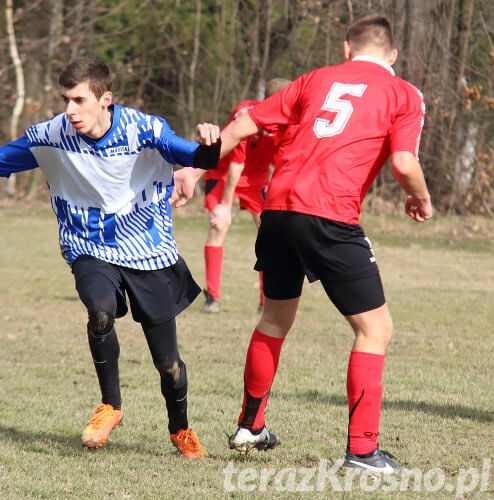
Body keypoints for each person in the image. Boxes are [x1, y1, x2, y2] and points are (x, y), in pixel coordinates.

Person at [0, 56, 222, 458]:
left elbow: (201, 159)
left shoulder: (146, 129)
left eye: (78, 100)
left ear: (105, 99)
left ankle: (180, 430)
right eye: (65, 100)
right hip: (89, 248)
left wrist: (210, 144)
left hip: (149, 250)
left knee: (169, 366)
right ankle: (111, 406)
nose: (70, 110)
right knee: (100, 311)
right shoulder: (51, 135)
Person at [172, 14, 432, 473]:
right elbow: (405, 163)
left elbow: (240, 128)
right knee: (375, 330)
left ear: (347, 49)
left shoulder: (313, 79)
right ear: (392, 56)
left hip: (277, 212)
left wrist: (193, 171)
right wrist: (421, 197)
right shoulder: (403, 92)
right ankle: (363, 451)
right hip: (329, 217)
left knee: (274, 318)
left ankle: (251, 425)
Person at [201, 78, 291, 314]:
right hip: (223, 172)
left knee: (269, 232)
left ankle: (267, 301)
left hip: (257, 177)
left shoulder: (289, 120)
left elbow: (283, 163)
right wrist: (225, 206)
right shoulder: (246, 114)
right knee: (219, 225)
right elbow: (235, 163)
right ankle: (212, 298)